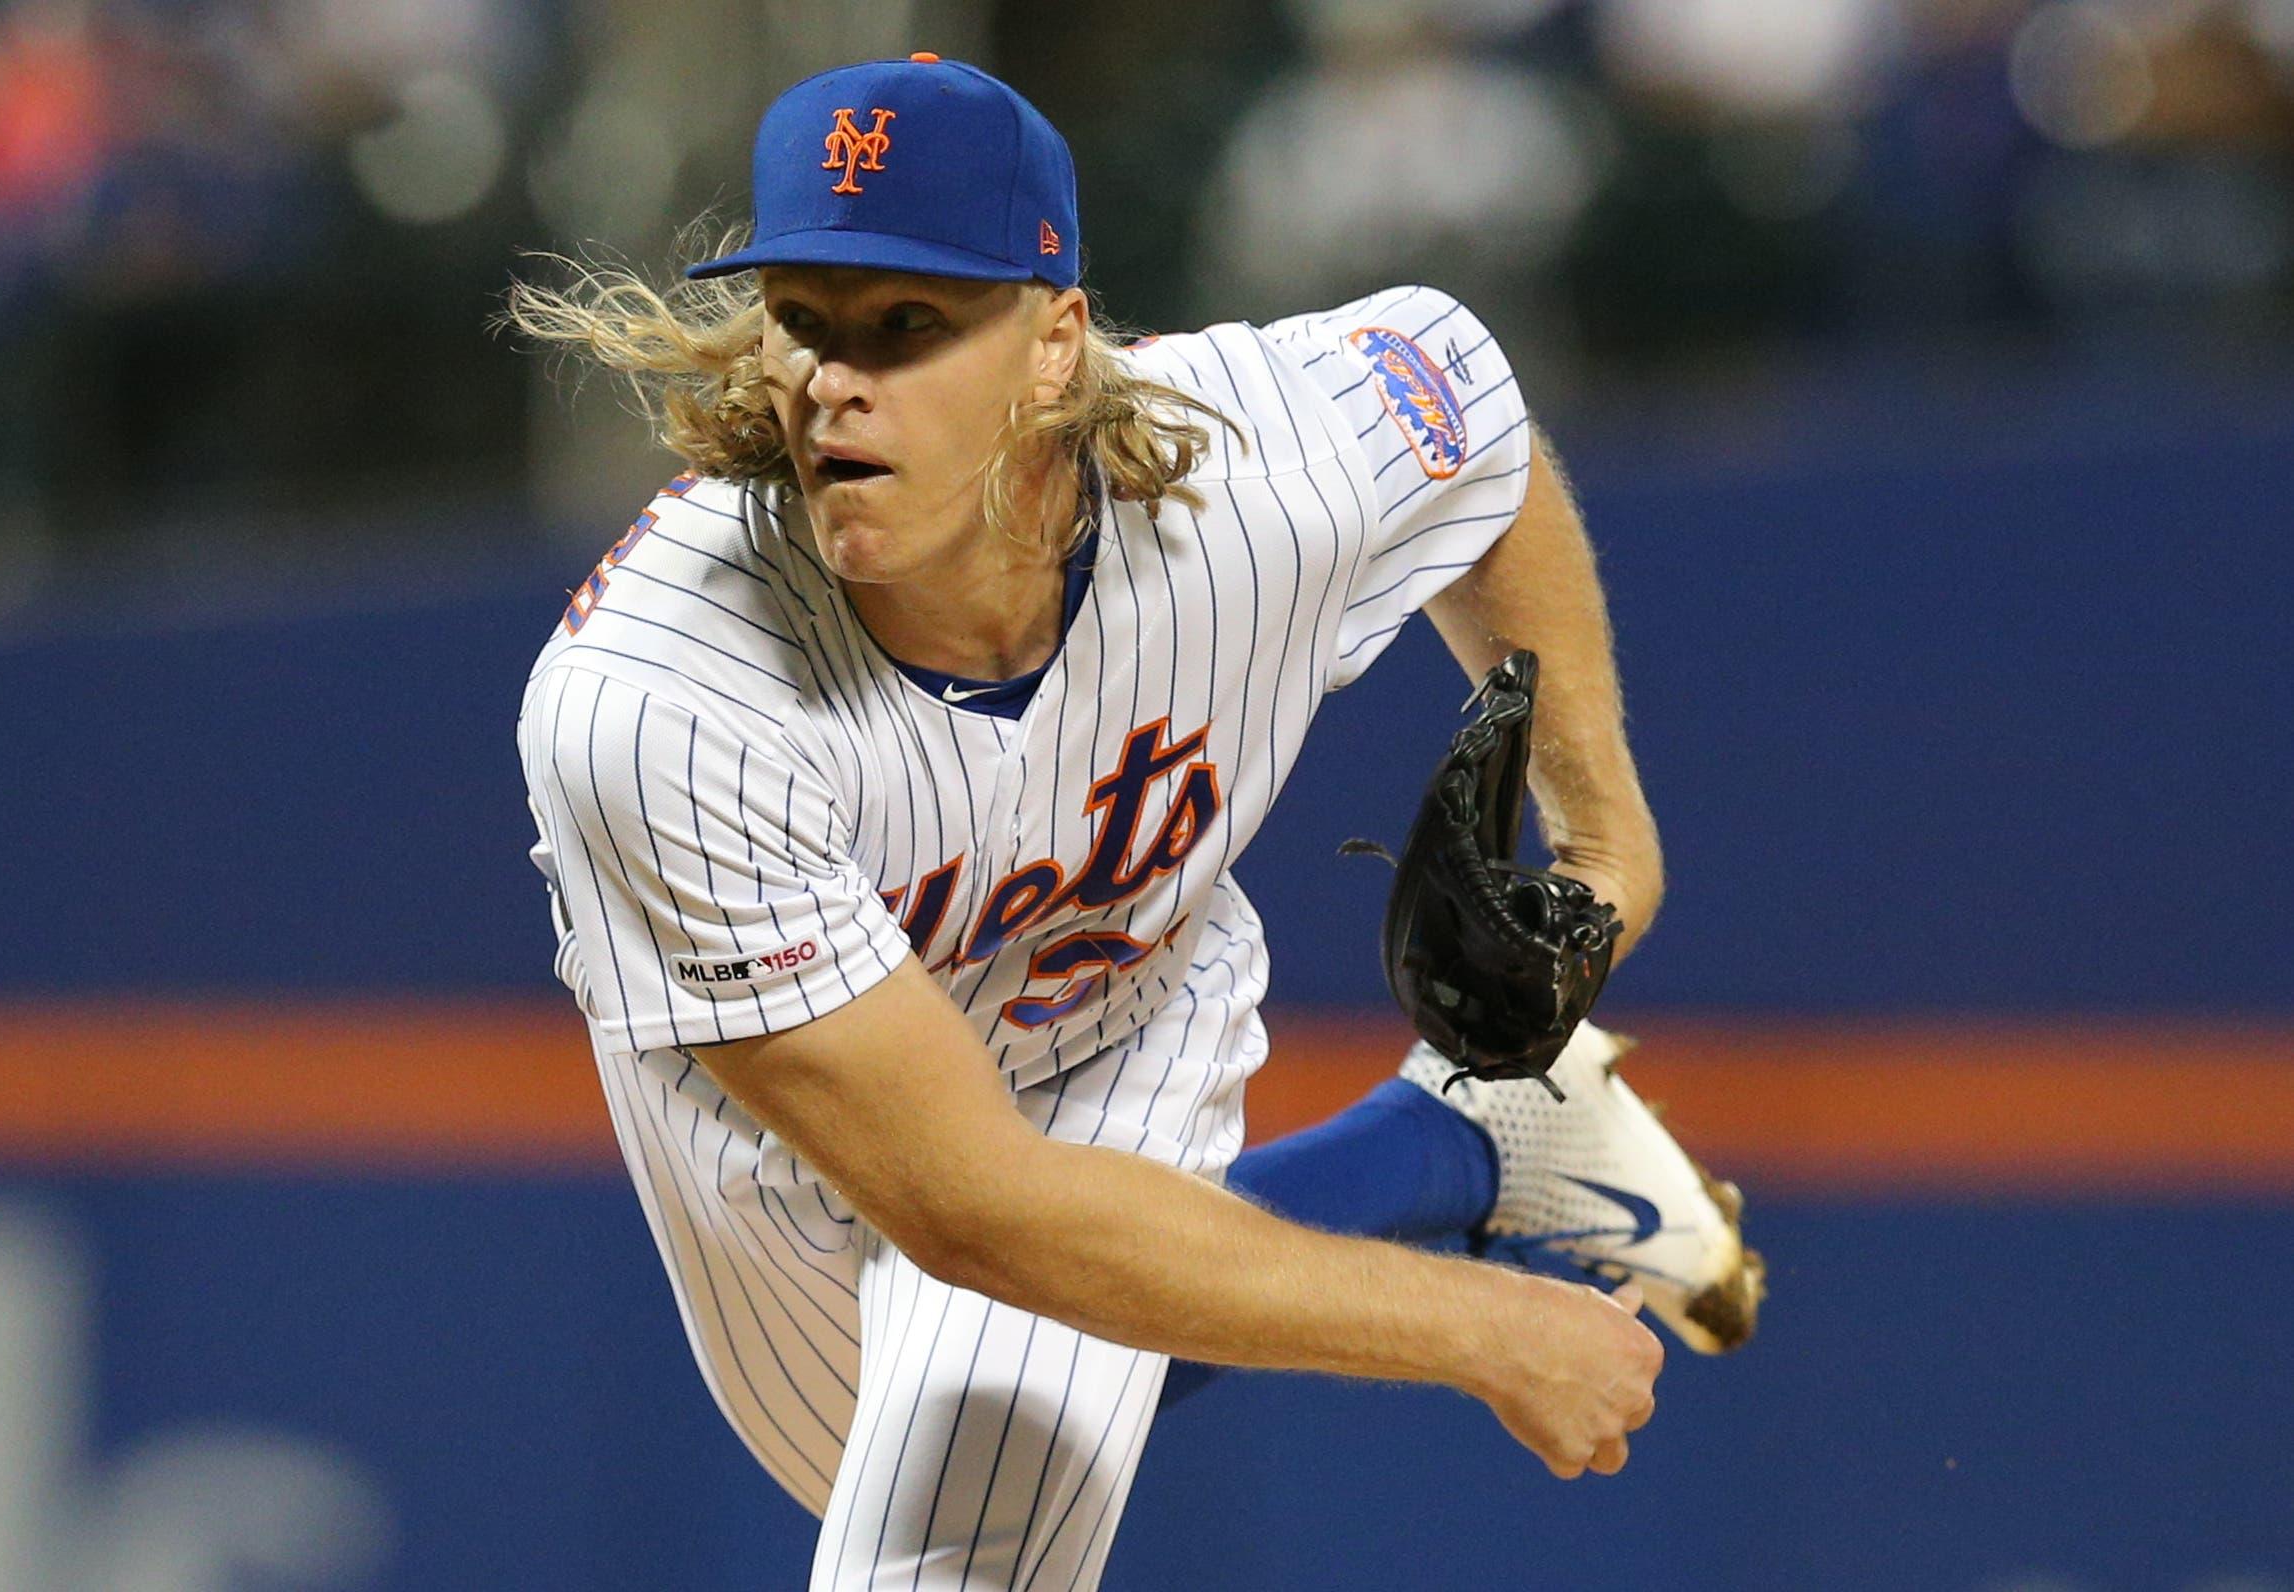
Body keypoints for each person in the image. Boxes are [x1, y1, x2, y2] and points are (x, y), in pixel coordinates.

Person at [512, 52, 1760, 1591]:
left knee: (942, 1546)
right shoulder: (653, 704)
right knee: (912, 1430)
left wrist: (1609, 851)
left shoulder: (1255, 461)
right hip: (789, 1157)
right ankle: (1450, 1146)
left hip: (1118, 1017)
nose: (836, 380)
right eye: (806, 321)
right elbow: (972, 1209)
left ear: (1053, 349)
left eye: (907, 326)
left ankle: (1450, 1150)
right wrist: (1482, 1331)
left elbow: (1472, 415)